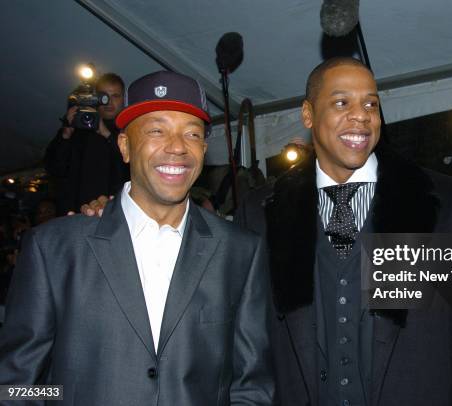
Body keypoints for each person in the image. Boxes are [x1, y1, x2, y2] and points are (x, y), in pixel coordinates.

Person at [236, 57, 452, 405]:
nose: (361, 115)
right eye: (342, 102)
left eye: (370, 103)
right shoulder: (259, 213)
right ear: (308, 114)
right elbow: (248, 347)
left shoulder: (448, 206)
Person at [0, 71, 274, 405]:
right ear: (125, 146)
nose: (177, 147)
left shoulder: (240, 251)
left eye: (192, 133)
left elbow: (251, 385)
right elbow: (17, 385)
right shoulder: (54, 249)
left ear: (203, 148)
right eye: (157, 130)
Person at [45, 73, 130, 215]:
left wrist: (107, 135)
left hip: (114, 215)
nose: (108, 102)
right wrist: (66, 134)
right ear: (95, 98)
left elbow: (132, 169)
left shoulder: (130, 131)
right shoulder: (78, 128)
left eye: (115, 96)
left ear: (124, 99)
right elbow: (54, 169)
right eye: (104, 96)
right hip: (76, 215)